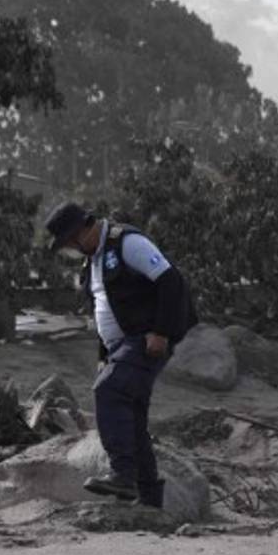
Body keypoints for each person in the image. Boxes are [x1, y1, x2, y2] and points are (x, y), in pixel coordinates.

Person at [44, 201, 197, 507]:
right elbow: (105, 311)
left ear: (85, 228)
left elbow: (171, 281)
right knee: (132, 416)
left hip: (144, 338)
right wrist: (104, 356)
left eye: (72, 242)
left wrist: (161, 332)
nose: (72, 250)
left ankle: (122, 475)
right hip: (120, 347)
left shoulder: (127, 243)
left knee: (109, 391)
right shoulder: (93, 263)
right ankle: (150, 499)